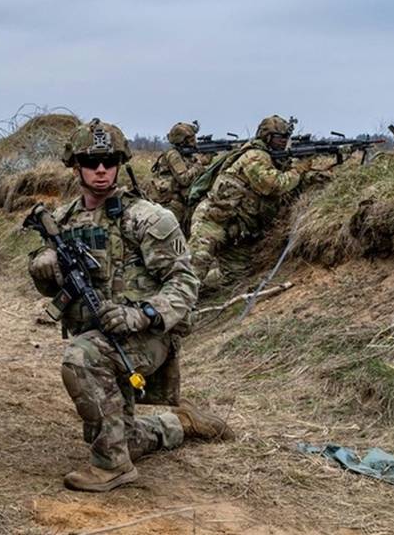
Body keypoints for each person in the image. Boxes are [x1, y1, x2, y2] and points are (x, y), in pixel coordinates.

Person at [27, 118, 233, 492]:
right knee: (122, 434)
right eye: (91, 162)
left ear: (120, 163)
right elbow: (51, 290)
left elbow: (185, 282)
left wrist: (141, 314)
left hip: (147, 336)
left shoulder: (148, 218)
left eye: (109, 161)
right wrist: (43, 267)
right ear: (76, 166)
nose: (101, 169)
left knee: (81, 358)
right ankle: (180, 423)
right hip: (100, 332)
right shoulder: (63, 221)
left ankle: (113, 466)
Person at [187, 114, 306, 288]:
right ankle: (174, 298)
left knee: (234, 274)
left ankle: (199, 290)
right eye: (280, 137)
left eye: (286, 137)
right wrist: (299, 169)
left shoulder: (274, 158)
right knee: (196, 264)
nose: (284, 141)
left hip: (237, 228)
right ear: (267, 136)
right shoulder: (255, 155)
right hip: (213, 220)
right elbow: (274, 185)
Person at [150, 121, 211, 229]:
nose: (195, 142)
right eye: (191, 140)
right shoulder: (173, 155)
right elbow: (184, 179)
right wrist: (200, 163)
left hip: (180, 199)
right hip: (170, 202)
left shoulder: (187, 155)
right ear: (182, 141)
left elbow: (195, 172)